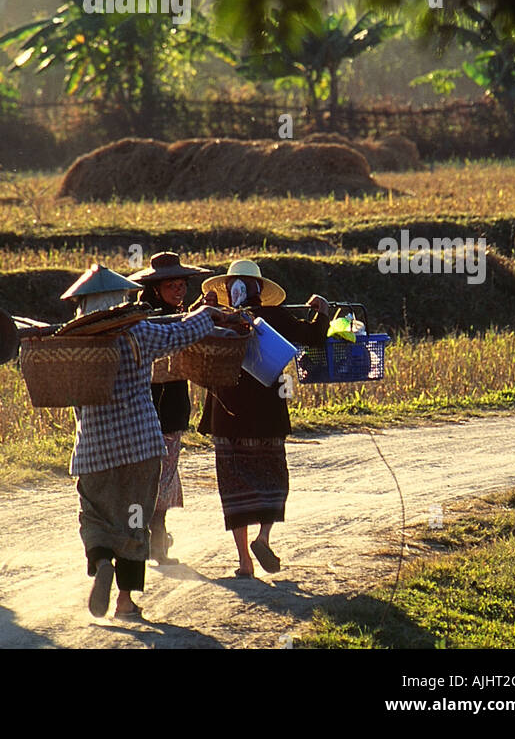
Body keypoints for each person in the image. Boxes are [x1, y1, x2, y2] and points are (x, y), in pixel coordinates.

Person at [61, 260, 244, 620]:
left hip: (94, 450)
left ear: (82, 305)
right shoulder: (140, 334)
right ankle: (125, 601)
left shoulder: (68, 344)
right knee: (134, 522)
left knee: (94, 515)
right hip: (142, 445)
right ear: (122, 300)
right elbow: (180, 335)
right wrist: (208, 315)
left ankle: (100, 564)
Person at [197, 258, 330, 578]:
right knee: (272, 478)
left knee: (233, 485)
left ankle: (244, 561)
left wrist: (204, 309)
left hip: (226, 417)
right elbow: (313, 337)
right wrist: (322, 311)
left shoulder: (212, 318)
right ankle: (263, 537)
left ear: (230, 288)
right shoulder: (274, 316)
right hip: (266, 415)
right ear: (258, 289)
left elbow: (186, 333)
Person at [133, 251, 210, 563]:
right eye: (172, 286)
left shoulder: (175, 316)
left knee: (157, 477)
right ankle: (157, 545)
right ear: (155, 289)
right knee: (159, 479)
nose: (179, 290)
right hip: (156, 407)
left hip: (169, 404)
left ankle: (153, 541)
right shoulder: (153, 321)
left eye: (182, 285)